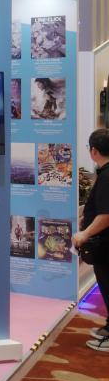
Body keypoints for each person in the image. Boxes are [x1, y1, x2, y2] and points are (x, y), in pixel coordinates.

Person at [75, 129, 109, 352]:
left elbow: (106, 215)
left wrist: (84, 234)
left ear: (94, 151)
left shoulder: (106, 176)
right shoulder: (104, 173)